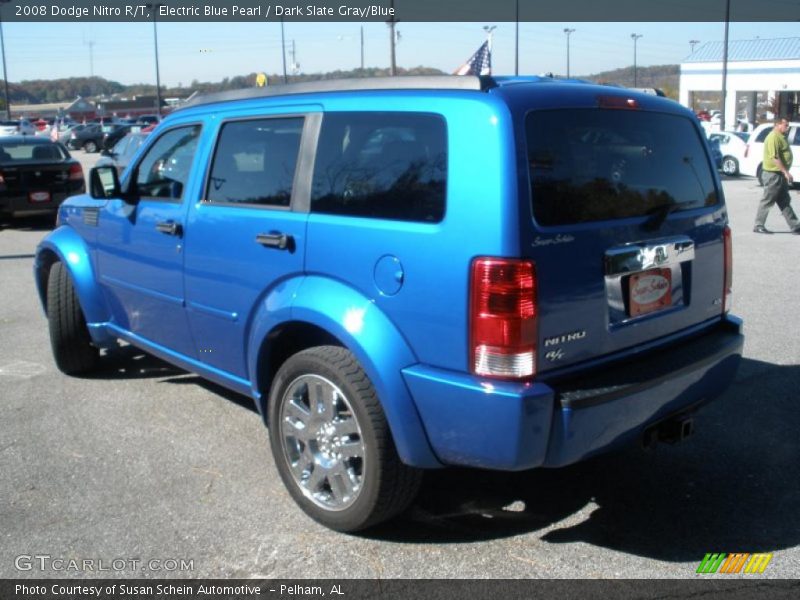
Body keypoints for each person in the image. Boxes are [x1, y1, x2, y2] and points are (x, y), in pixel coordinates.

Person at [753, 118, 799, 234]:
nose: (787, 128)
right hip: (773, 174)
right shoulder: (773, 137)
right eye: (785, 125)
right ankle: (758, 225)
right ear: (778, 125)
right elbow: (775, 157)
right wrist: (785, 172)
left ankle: (795, 226)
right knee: (768, 200)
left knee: (784, 200)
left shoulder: (781, 136)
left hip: (779, 174)